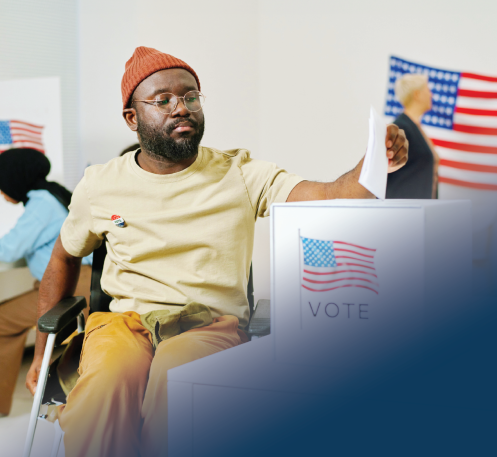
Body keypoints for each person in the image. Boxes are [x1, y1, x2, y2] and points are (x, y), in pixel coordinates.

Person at [24, 46, 407, 457]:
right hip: (124, 325)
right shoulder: (99, 185)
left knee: (177, 389)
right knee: (102, 392)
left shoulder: (239, 173)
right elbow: (64, 255)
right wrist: (47, 344)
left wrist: (373, 164)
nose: (181, 108)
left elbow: (333, 194)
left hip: (208, 325)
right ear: (132, 118)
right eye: (163, 100)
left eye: (190, 97)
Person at [0, 148, 91, 417]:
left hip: (73, 285)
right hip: (75, 282)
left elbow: (10, 250)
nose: (2, 193)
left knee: (2, 321)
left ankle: (0, 411)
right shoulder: (54, 194)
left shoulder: (41, 203)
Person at [387, 73, 440, 199]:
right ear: (417, 94)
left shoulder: (415, 128)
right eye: (427, 90)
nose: (431, 94)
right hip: (405, 214)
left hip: (421, 210)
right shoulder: (401, 128)